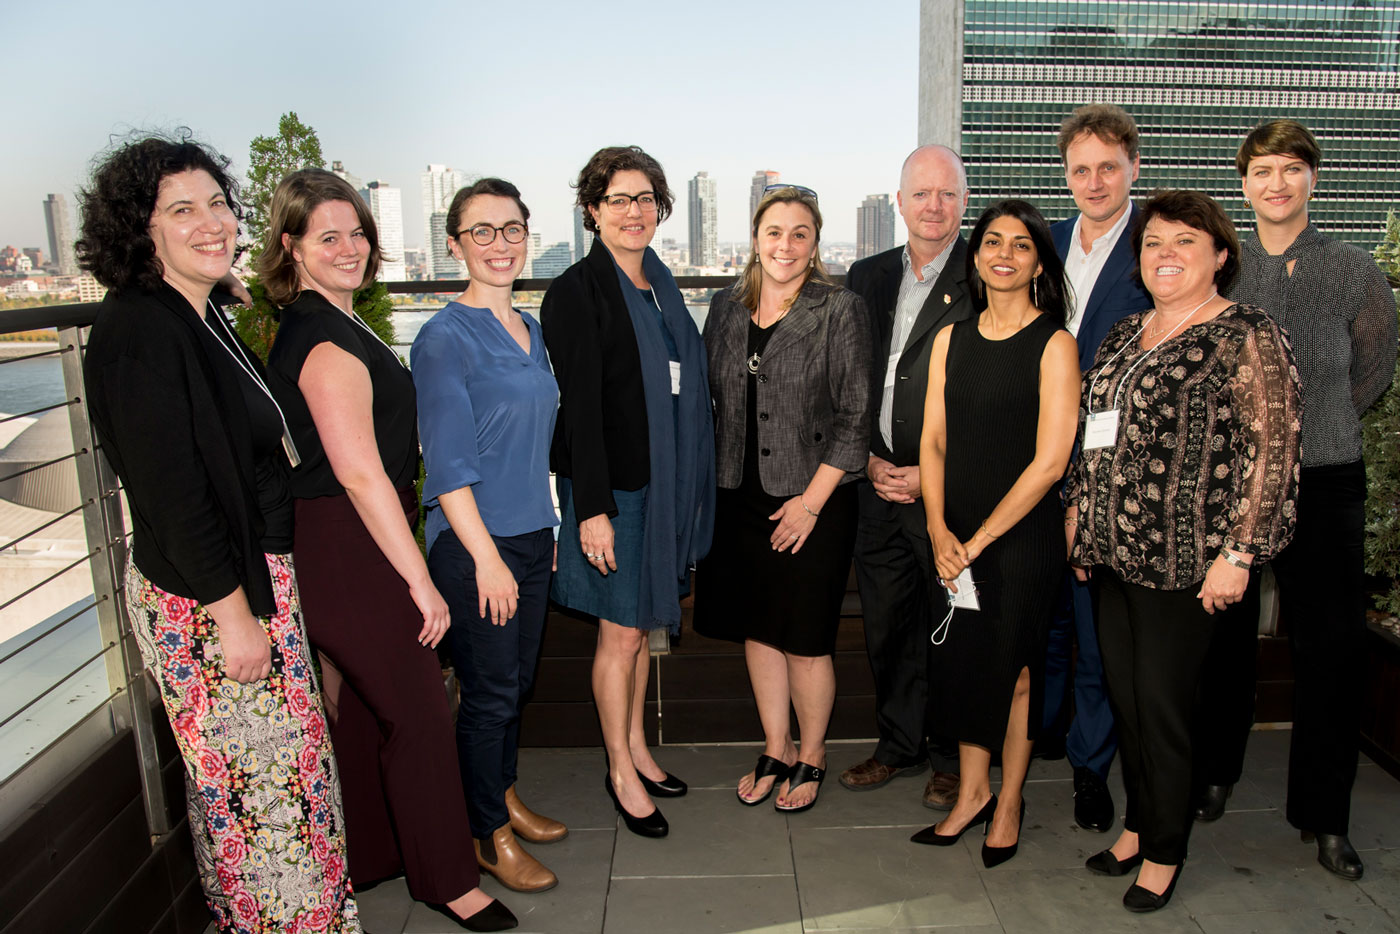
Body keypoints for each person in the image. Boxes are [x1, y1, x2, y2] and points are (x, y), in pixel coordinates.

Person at [78, 135, 361, 932]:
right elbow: (172, 494)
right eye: (181, 210)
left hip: (251, 586)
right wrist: (235, 616)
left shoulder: (200, 313)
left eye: (217, 204)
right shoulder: (139, 330)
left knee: (289, 794)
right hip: (211, 605)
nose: (210, 223)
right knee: (264, 810)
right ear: (142, 230)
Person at [262, 169, 515, 932]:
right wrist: (423, 582)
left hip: (346, 537)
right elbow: (363, 473)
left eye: (357, 233)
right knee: (419, 712)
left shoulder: (337, 321)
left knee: (370, 714)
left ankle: (370, 856)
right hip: (348, 542)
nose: (349, 248)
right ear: (292, 248)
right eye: (327, 236)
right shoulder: (322, 338)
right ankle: (447, 880)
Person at [1068, 190, 1301, 912]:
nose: (1165, 255)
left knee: (1165, 709)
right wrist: (1078, 511)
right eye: (1154, 243)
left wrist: (1241, 552)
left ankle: (1165, 851)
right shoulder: (1123, 335)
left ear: (1220, 257)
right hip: (1110, 553)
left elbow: (1274, 452)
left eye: (1184, 243)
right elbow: (1092, 427)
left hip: (1187, 564)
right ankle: (1139, 825)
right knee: (1129, 705)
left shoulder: (1247, 335)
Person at [1217, 120, 1396, 879]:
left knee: (1331, 652)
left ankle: (1324, 817)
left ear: (1313, 179)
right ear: (1245, 184)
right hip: (1230, 483)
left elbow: (1374, 371)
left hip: (1325, 480)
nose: (1277, 183)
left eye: (1292, 169)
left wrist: (1309, 433)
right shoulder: (1222, 270)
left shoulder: (1354, 269)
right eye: (1263, 170)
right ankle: (1214, 773)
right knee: (1219, 643)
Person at [541, 146, 715, 838]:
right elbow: (580, 408)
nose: (633, 211)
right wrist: (594, 511)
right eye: (618, 199)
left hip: (663, 483)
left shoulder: (663, 286)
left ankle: (640, 748)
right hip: (614, 491)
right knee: (619, 636)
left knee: (641, 629)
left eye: (644, 198)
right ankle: (619, 768)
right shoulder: (575, 292)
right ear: (592, 211)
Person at [911, 200, 1079, 870]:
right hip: (955, 535)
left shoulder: (1055, 343)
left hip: (1020, 539)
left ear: (1039, 261)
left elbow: (1050, 463)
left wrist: (974, 543)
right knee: (970, 666)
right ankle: (972, 791)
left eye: (1021, 245)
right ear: (976, 254)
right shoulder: (952, 338)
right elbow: (930, 441)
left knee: (1014, 674)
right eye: (992, 242)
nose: (1004, 254)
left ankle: (1009, 801)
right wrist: (936, 528)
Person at [694, 185, 872, 813]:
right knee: (758, 628)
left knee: (804, 635)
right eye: (775, 231)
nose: (786, 245)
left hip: (812, 497)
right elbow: (704, 401)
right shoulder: (723, 306)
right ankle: (776, 744)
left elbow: (856, 417)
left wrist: (811, 502)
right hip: (736, 494)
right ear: (755, 238)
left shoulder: (839, 309)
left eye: (800, 233)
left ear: (816, 242)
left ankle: (814, 752)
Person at [412, 178, 564, 894]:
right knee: (490, 693)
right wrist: (487, 561)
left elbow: (532, 447)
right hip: (478, 548)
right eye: (482, 231)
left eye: (512, 229)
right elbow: (446, 468)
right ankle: (485, 835)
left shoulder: (531, 329)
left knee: (516, 684)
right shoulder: (444, 338)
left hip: (531, 537)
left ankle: (500, 795)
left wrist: (547, 527)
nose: (500, 244)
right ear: (455, 245)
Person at [841, 145, 970, 811]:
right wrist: (862, 457)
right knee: (888, 623)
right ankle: (899, 744)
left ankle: (950, 757)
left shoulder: (988, 275)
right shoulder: (864, 276)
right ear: (899, 202)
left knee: (949, 626)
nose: (933, 206)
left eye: (946, 194)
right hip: (874, 482)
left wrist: (932, 474)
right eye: (921, 194)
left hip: (946, 493)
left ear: (963, 203)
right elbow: (845, 378)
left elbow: (998, 395)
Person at [1041, 103, 1154, 834]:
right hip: (1033, 460)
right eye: (1081, 169)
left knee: (1094, 627)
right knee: (1042, 613)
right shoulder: (1046, 241)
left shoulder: (1159, 240)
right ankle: (1046, 730)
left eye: (1108, 167)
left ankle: (1090, 766)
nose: (1094, 181)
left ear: (1133, 168)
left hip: (1113, 470)